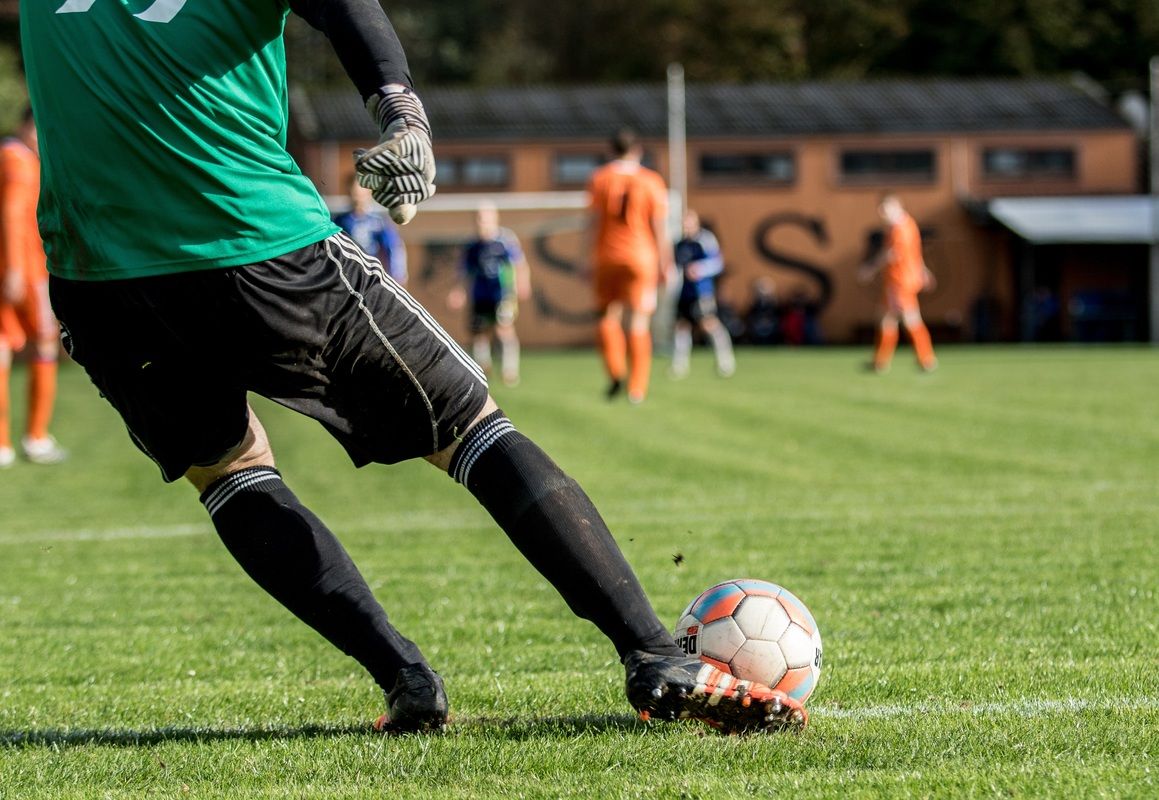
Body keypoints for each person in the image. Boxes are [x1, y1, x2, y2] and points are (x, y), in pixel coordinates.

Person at [22, 1, 804, 734]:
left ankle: (405, 680)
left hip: (98, 278)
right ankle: (653, 654)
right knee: (470, 427)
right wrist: (401, 111)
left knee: (228, 472)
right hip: (250, 240)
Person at [586, 128, 673, 404]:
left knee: (606, 316)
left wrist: (585, 257)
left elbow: (593, 223)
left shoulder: (599, 178)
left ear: (611, 150)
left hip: (607, 256)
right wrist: (666, 262)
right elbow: (659, 227)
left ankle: (615, 372)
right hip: (640, 257)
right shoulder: (651, 181)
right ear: (638, 151)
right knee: (638, 321)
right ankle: (637, 388)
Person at [0, 109, 66, 467]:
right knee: (44, 345)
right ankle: (36, 438)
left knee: (3, 347)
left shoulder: (8, 155)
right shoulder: (19, 161)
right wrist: (14, 269)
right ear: (27, 125)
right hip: (25, 272)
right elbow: (11, 215)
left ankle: (3, 445)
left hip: (13, 269)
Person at [447, 202, 530, 387]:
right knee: (479, 332)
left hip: (503, 293)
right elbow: (462, 272)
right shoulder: (472, 246)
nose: (482, 223)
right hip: (480, 294)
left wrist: (522, 283)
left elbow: (519, 264)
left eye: (485, 218)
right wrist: (457, 291)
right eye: (478, 219)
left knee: (503, 328)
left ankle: (509, 371)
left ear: (495, 219)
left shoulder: (505, 241)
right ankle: (482, 369)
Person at [857, 193, 938, 372]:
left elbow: (892, 254)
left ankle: (926, 359)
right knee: (887, 320)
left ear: (896, 206)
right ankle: (881, 362)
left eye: (885, 210)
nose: (883, 215)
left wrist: (870, 269)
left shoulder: (900, 228)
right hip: (901, 280)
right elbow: (915, 253)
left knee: (909, 320)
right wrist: (923, 271)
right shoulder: (908, 225)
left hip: (900, 281)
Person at [671, 210, 735, 379]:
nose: (686, 227)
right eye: (684, 223)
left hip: (702, 291)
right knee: (681, 326)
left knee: (709, 324)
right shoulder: (679, 244)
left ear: (696, 223)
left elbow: (718, 262)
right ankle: (679, 366)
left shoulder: (705, 240)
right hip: (685, 292)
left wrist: (700, 269)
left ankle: (725, 361)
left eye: (689, 223)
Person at [333, 177, 408, 285]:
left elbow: (393, 247)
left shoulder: (379, 221)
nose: (357, 196)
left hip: (371, 277)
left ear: (368, 193)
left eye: (360, 192)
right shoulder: (339, 221)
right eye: (354, 192)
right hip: (347, 276)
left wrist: (398, 275)